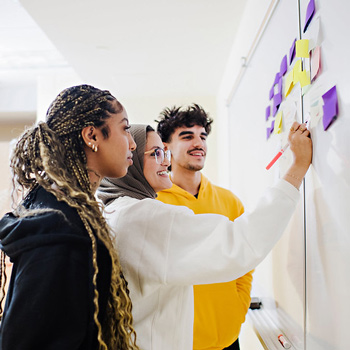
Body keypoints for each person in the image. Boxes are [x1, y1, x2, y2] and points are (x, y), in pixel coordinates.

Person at [97, 122, 312, 350]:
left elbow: (242, 265)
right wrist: (297, 168)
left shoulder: (118, 210)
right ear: (131, 160)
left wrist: (236, 311)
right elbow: (240, 242)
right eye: (156, 152)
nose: (166, 161)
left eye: (164, 152)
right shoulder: (145, 216)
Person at [0, 85, 139, 350]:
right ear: (91, 135)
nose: (132, 142)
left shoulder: (62, 212)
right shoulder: (61, 228)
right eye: (124, 128)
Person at [156, 104, 252, 350]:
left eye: (203, 136)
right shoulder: (153, 204)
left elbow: (245, 261)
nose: (198, 143)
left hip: (229, 339)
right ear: (165, 147)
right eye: (187, 136)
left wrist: (238, 308)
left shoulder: (229, 201)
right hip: (178, 342)